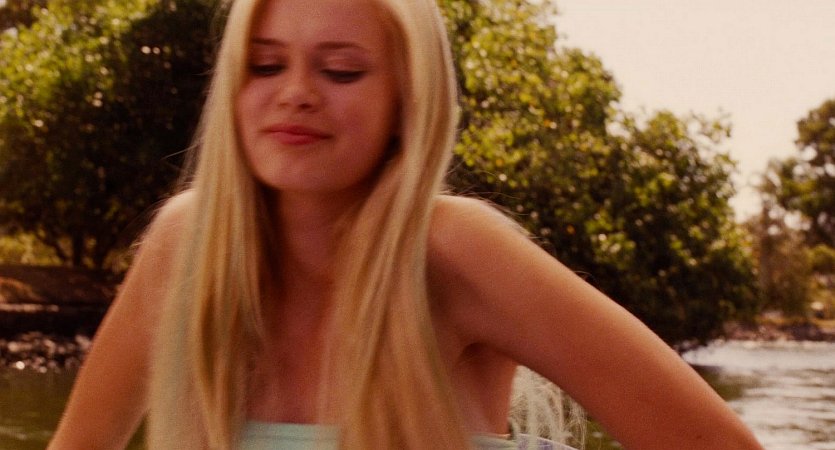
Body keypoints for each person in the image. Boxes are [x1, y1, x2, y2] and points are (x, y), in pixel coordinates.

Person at [48, 0, 765, 449]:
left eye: (341, 72)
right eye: (265, 66)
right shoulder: (186, 247)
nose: (295, 94)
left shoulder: (455, 251)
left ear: (407, 102)